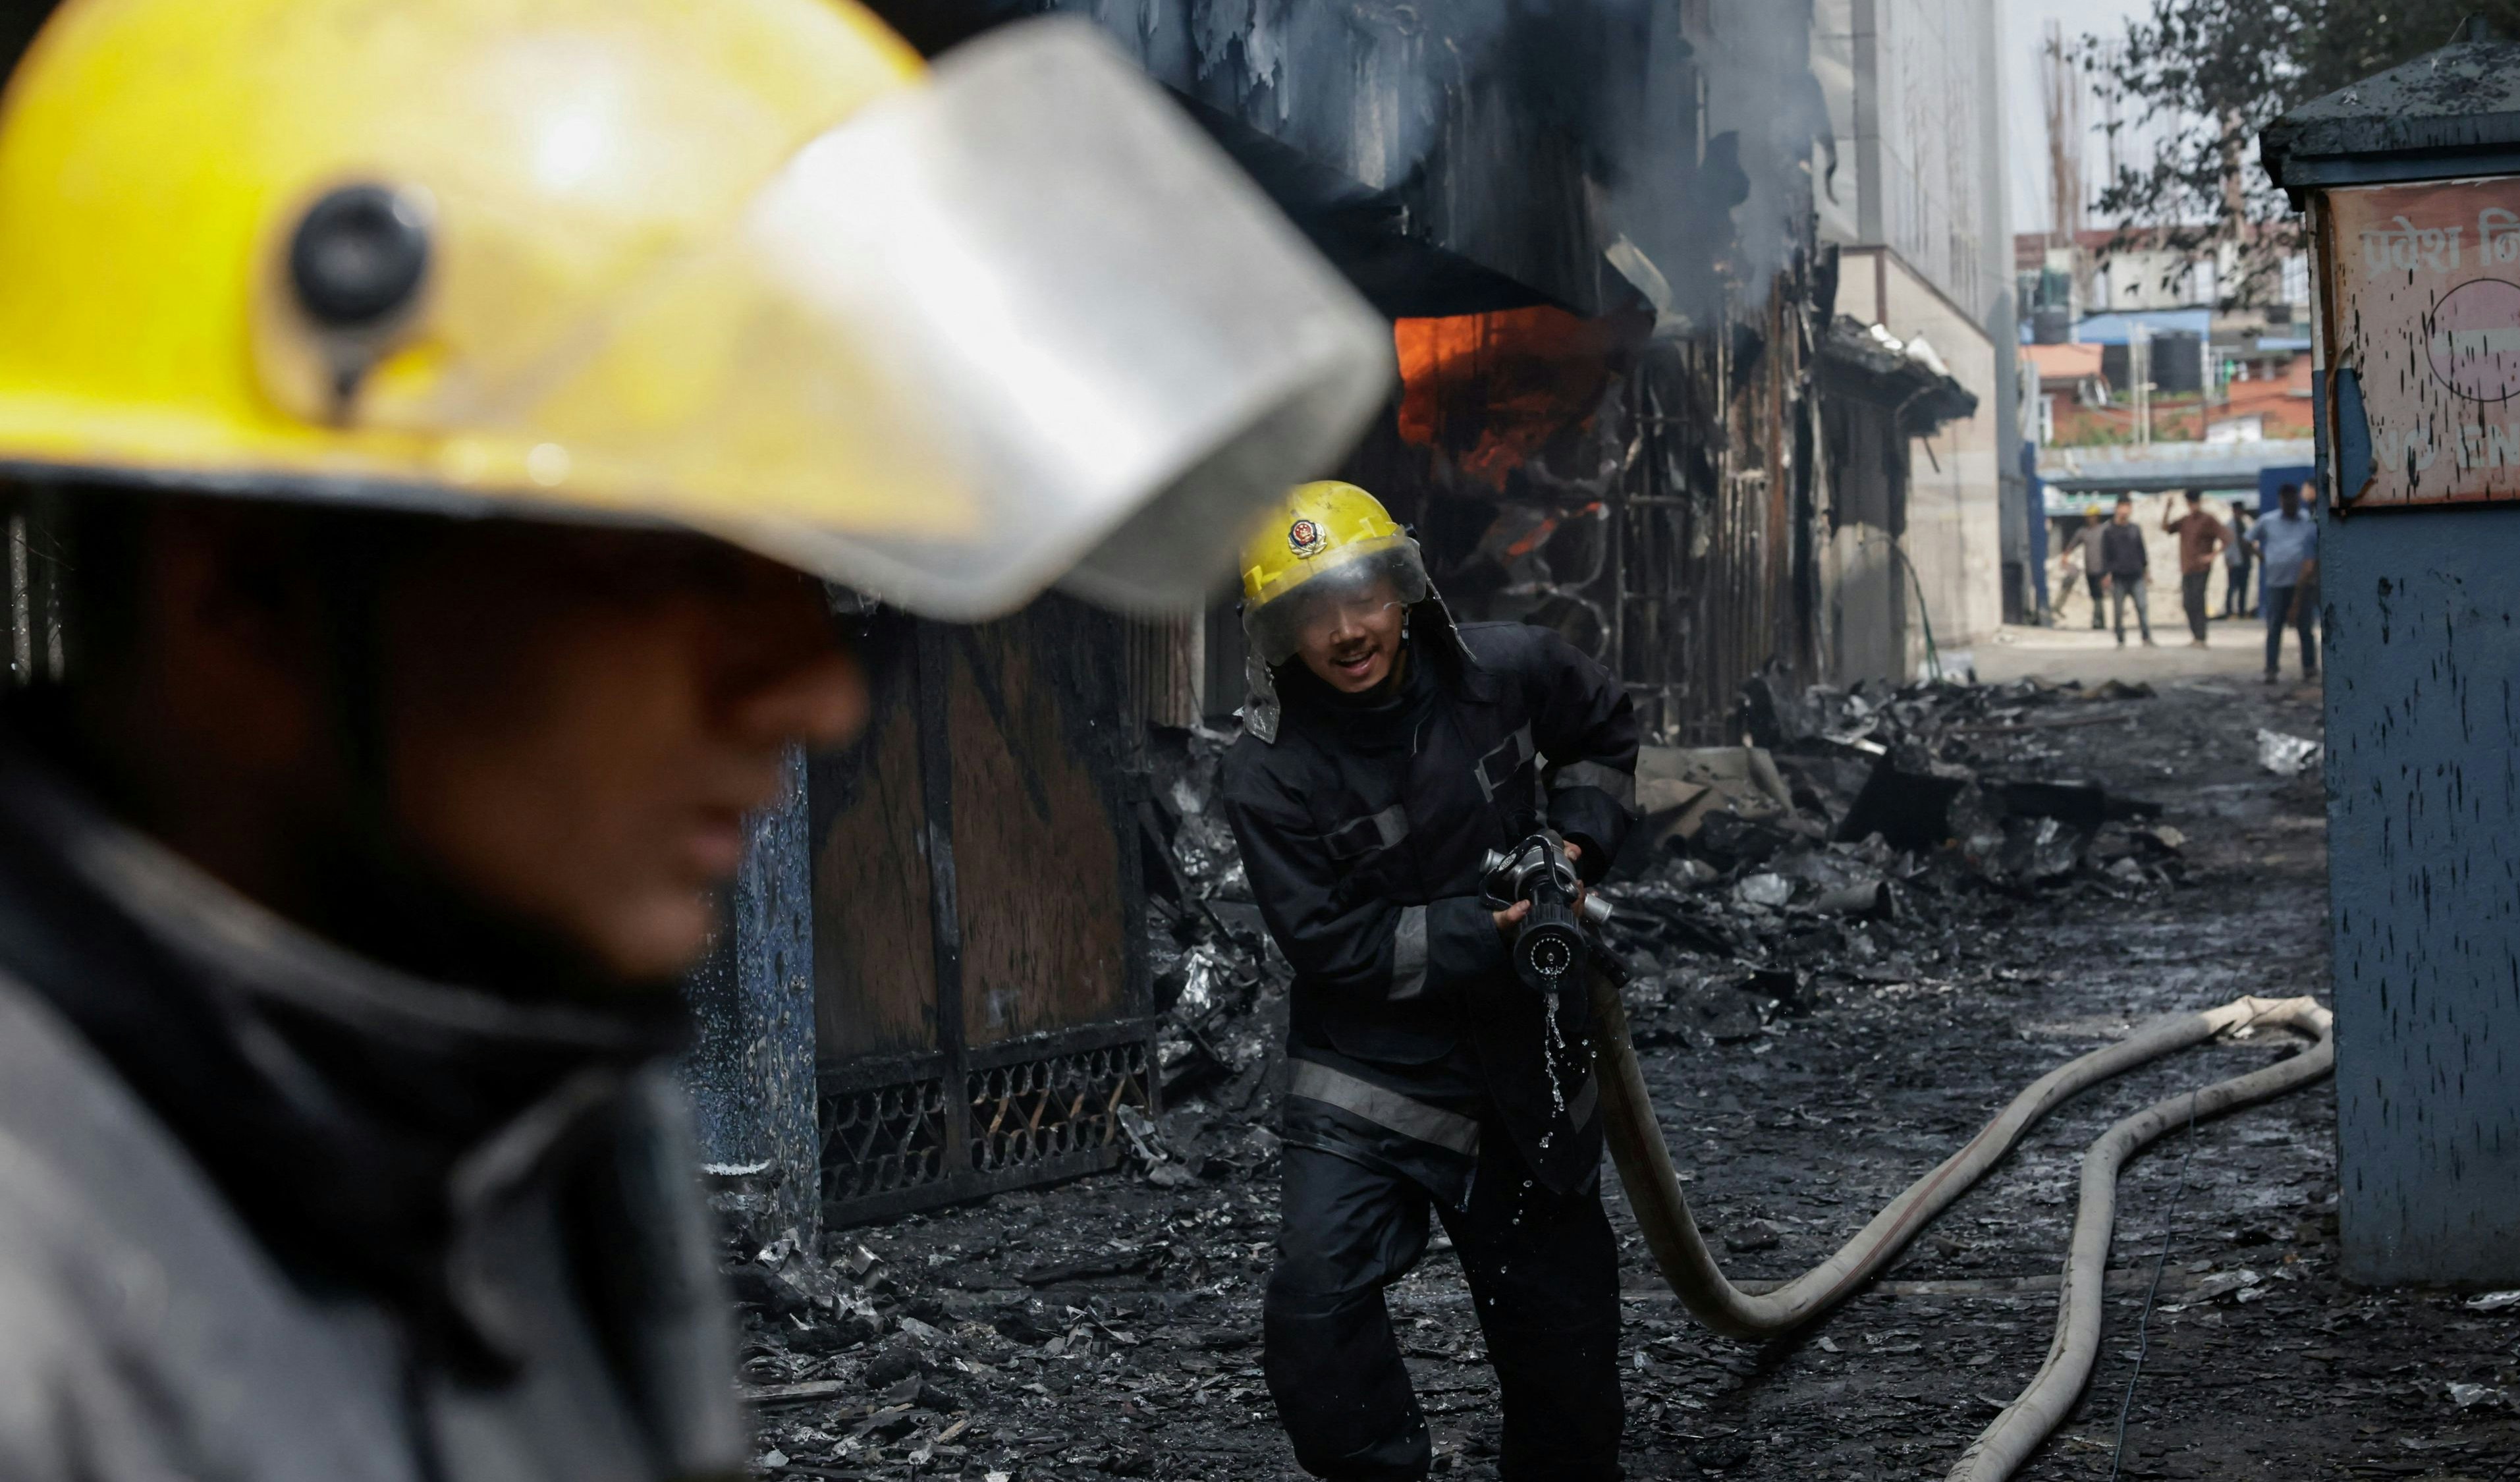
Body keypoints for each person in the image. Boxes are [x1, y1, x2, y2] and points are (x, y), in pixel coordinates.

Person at [0, 2, 1387, 1477]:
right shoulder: (38, 1307)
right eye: (672, 563)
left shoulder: (532, 1108)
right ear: (244, 580)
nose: (815, 693)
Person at [1221, 482, 1640, 1482]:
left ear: (1404, 592)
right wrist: (1484, 930)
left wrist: (1574, 846)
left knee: (1564, 1340)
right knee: (1315, 1308)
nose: (1346, 630)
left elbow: (1604, 728)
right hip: (1371, 1073)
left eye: (1363, 596)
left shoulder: (1505, 670)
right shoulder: (1268, 771)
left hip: (1523, 1056)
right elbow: (1336, 945)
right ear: (1278, 635)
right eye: (1310, 612)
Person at [2253, 481, 2322, 683]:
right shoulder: (2268, 520)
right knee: (2274, 628)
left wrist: (2296, 602)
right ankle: (2271, 669)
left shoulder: (2308, 522)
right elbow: (2247, 540)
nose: (2289, 505)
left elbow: (2309, 565)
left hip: (2303, 582)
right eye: (2285, 502)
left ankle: (2309, 668)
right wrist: (2264, 558)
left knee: (2305, 628)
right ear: (2280, 501)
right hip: (2277, 583)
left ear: (2296, 500)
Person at [2161, 489, 2228, 647]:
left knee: (2198, 601)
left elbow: (2226, 537)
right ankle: (2195, 635)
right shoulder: (2186, 521)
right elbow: (2166, 528)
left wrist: (2212, 555)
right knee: (2188, 602)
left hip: (2201, 568)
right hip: (2187, 567)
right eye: (2190, 503)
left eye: (2194, 503)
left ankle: (2201, 636)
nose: (2193, 506)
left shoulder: (2208, 520)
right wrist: (2167, 509)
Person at [2100, 495, 2154, 646]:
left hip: (2136, 574)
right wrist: (2106, 574)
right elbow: (2105, 554)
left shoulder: (2134, 529)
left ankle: (2146, 636)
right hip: (2118, 577)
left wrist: (2146, 570)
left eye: (2128, 507)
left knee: (2142, 606)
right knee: (2118, 611)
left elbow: (2141, 550)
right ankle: (2120, 638)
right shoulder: (2109, 531)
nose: (2125, 511)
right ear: (2117, 508)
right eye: (2122, 507)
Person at [2077, 503, 2112, 628]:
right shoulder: (2084, 532)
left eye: (2092, 516)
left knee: (2099, 596)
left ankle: (2098, 621)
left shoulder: (2104, 531)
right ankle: (2100, 621)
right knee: (2095, 596)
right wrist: (2065, 556)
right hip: (2089, 571)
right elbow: (2072, 544)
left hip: (2101, 569)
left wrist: (2109, 570)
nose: (2090, 518)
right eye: (2088, 516)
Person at [2222, 505, 2256, 618]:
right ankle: (2229, 611)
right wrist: (2228, 560)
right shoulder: (2229, 526)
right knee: (2232, 587)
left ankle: (2241, 611)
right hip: (2235, 561)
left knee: (2243, 587)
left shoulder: (2243, 525)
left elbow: (2247, 542)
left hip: (2245, 560)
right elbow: (2227, 545)